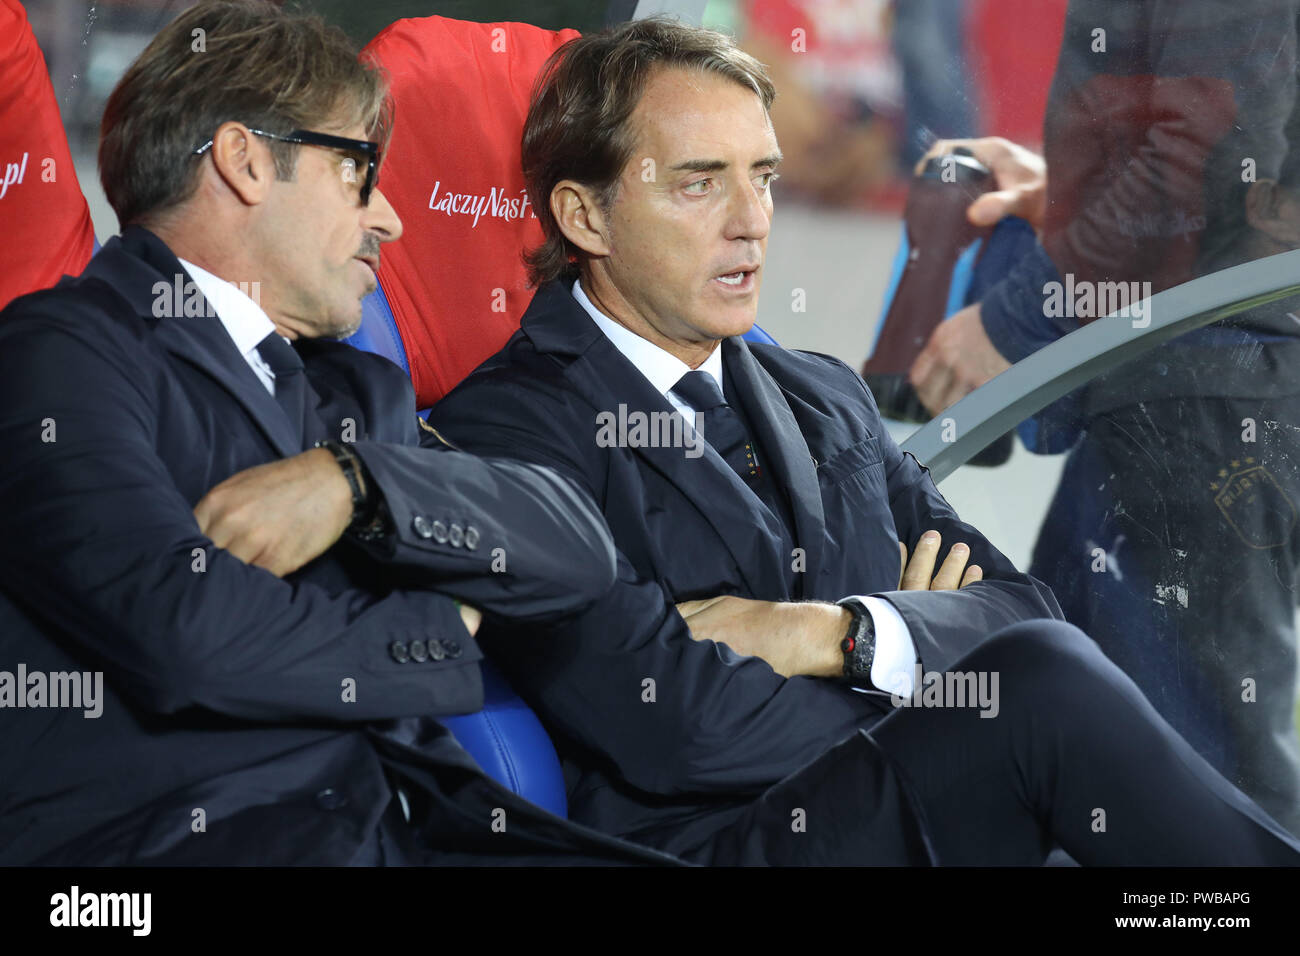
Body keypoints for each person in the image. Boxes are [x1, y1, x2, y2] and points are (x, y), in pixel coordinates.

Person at [429, 16, 1300, 864]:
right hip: (720, 842)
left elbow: (1026, 606)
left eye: (763, 176)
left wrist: (841, 636)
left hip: (930, 805)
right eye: (699, 182)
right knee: (1042, 691)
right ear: (585, 216)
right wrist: (918, 661)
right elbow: (678, 727)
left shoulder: (823, 392)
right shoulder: (501, 433)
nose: (753, 221)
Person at [0, 0, 688, 867]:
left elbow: (578, 551)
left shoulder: (353, 387)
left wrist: (355, 484)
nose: (390, 220)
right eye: (360, 172)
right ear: (246, 160)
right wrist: (441, 631)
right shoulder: (57, 352)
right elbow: (189, 638)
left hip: (403, 828)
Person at [907, 0, 1300, 833]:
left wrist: (1021, 317)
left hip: (1206, 396)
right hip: (1185, 381)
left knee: (1191, 792)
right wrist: (1068, 193)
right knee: (1092, 748)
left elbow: (1211, 158)